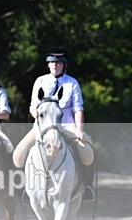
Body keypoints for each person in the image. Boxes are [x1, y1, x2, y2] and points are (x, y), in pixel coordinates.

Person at [12, 47, 95, 200]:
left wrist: (79, 131)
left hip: (66, 126)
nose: (55, 65)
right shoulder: (40, 81)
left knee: (87, 154)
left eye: (58, 63)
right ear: (48, 65)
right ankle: (26, 188)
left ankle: (87, 187)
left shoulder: (72, 83)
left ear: (64, 65)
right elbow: (32, 107)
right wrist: (40, 117)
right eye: (52, 63)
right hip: (43, 127)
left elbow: (78, 109)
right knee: (18, 155)